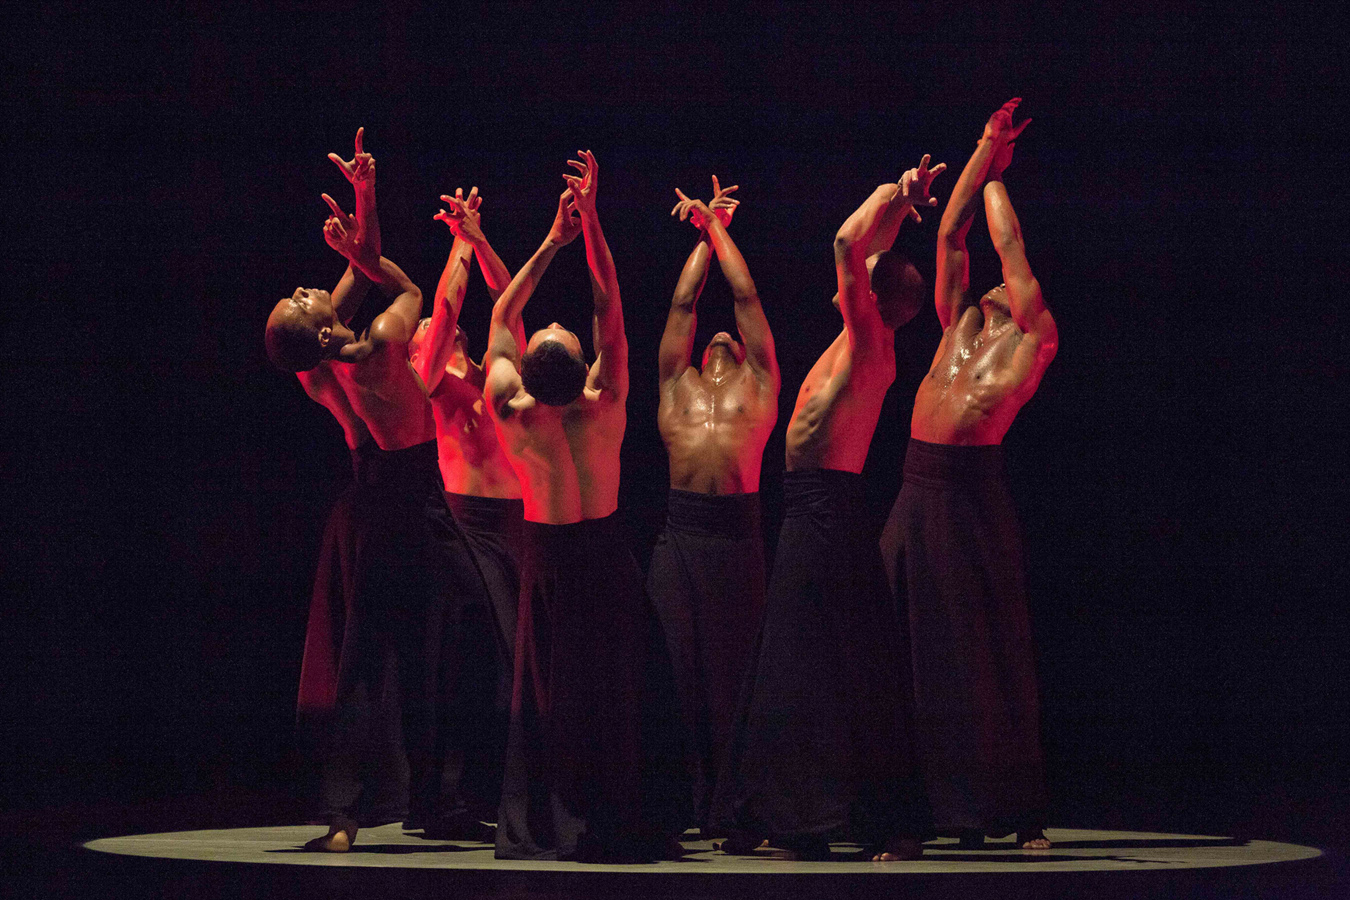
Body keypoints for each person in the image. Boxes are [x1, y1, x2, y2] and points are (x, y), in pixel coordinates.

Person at [710, 155, 945, 861]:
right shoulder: (859, 338)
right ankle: (773, 807)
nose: (845, 284)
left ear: (871, 298)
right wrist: (900, 209)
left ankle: (839, 817)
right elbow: (868, 253)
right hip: (811, 508)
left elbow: (848, 242)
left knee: (819, 663)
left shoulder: (871, 346)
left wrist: (893, 190)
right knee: (790, 656)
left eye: (861, 283)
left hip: (829, 514)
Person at [269, 129, 493, 851]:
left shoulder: (317, 369)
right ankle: (437, 796)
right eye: (300, 298)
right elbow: (402, 287)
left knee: (371, 655)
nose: (305, 289)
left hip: (369, 501)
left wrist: (365, 201)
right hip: (417, 500)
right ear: (319, 328)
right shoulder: (382, 351)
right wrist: (363, 233)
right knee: (458, 632)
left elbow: (354, 282)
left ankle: (353, 810)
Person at [483, 152, 684, 862]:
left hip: (550, 559)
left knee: (554, 694)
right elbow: (610, 308)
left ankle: (557, 816)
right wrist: (591, 225)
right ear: (580, 362)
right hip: (604, 555)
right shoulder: (606, 403)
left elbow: (502, 313)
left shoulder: (509, 408)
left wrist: (551, 240)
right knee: (613, 691)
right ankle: (616, 815)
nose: (554, 323)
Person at [879, 99, 1058, 851]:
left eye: (1003, 285)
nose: (990, 286)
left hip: (970, 496)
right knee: (900, 647)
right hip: (915, 491)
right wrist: (984, 148)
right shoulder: (956, 325)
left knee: (985, 655)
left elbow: (1004, 243)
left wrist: (997, 177)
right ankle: (908, 809)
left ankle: (1010, 809)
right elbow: (949, 233)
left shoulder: (1031, 338)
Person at [649, 179, 778, 835]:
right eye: (713, 332)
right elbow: (682, 302)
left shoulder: (761, 383)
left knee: (736, 674)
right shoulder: (676, 385)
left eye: (735, 334)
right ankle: (678, 803)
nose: (724, 332)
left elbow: (745, 296)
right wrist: (701, 234)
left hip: (735, 535)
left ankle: (737, 805)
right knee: (672, 667)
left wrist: (720, 227)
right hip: (679, 534)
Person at [406, 186, 524, 829]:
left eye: (431, 326)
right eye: (423, 329)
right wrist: (458, 247)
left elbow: (511, 303)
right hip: (465, 522)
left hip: (518, 525)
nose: (429, 328)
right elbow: (447, 307)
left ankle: (497, 791)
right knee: (467, 663)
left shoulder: (495, 372)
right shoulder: (432, 383)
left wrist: (478, 240)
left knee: (515, 665)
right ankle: (444, 796)